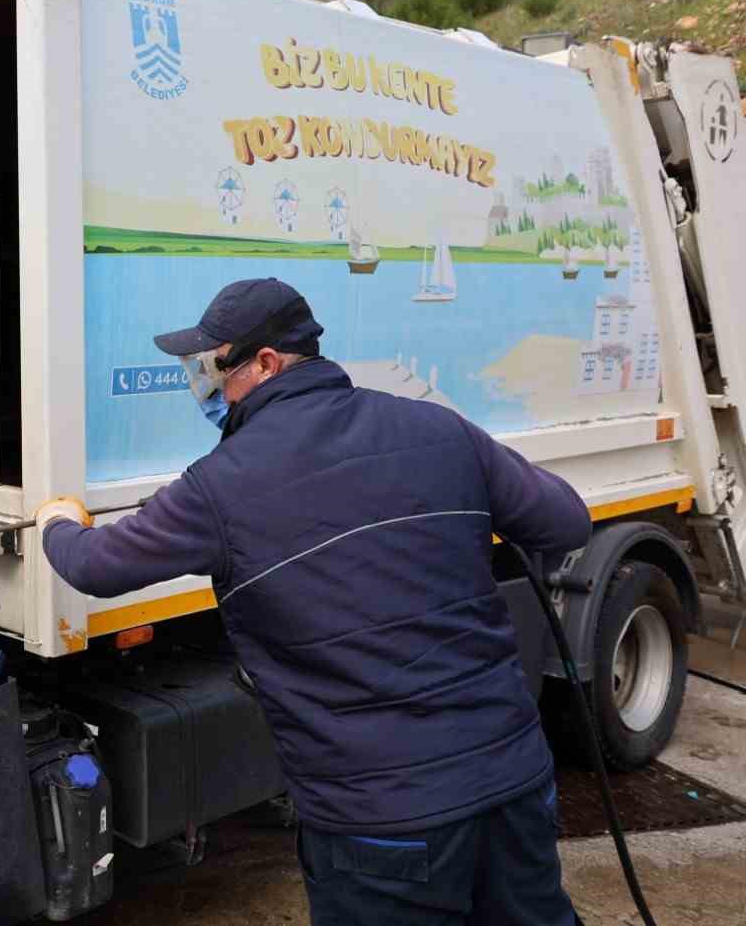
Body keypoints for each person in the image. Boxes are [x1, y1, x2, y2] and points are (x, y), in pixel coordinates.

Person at [37, 277, 592, 926]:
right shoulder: (438, 428)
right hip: (512, 783)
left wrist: (56, 521)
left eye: (210, 367)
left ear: (267, 362)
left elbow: (95, 566)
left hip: (380, 823)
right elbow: (566, 524)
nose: (204, 386)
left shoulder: (220, 487)